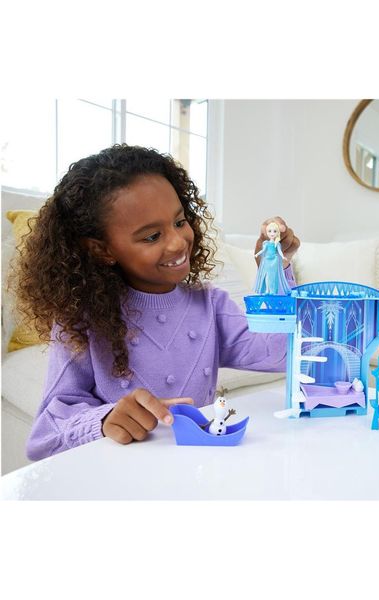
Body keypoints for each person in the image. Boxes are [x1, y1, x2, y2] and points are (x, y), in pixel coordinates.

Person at [10, 144, 300, 460]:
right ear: (102, 249)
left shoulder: (209, 304)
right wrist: (104, 420)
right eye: (151, 236)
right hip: (123, 475)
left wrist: (274, 270)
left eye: (179, 222)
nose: (177, 243)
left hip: (198, 466)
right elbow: (44, 438)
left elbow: (282, 354)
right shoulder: (82, 320)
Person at [253, 221, 292, 295]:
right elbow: (263, 250)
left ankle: (272, 291)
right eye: (269, 231)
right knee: (266, 275)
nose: (272, 233)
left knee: (273, 276)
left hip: (274, 260)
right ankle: (267, 290)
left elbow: (279, 251)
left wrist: (283, 257)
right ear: (267, 232)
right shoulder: (266, 243)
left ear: (277, 233)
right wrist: (257, 254)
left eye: (274, 231)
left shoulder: (277, 243)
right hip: (267, 260)